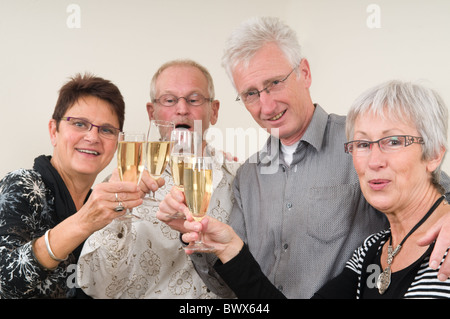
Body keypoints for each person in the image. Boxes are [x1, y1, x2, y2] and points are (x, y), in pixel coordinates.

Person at [158, 17, 450, 298]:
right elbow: (230, 285)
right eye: (250, 93)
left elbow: (431, 194)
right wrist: (192, 234)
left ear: (305, 73)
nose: (267, 105)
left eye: (274, 83)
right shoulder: (247, 176)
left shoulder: (362, 142)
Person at [77, 59, 240, 298]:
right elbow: (95, 285)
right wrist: (118, 212)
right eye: (169, 100)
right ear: (152, 113)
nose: (182, 109)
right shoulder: (120, 181)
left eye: (194, 100)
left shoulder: (241, 178)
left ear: (213, 111)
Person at [0, 73, 143, 298]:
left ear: (118, 143)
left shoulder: (102, 204)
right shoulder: (23, 184)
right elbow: (5, 278)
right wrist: (84, 222)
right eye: (79, 124)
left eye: (106, 130)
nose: (93, 136)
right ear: (53, 131)